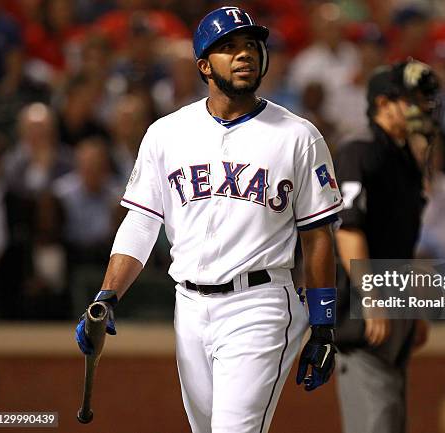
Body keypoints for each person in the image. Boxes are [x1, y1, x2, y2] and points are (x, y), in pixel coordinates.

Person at [74, 6, 343, 433]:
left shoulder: (298, 136)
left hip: (261, 302)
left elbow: (318, 234)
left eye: (251, 46)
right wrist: (108, 294)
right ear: (203, 65)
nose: (244, 55)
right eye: (228, 47)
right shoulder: (166, 133)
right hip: (190, 307)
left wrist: (324, 324)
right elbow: (142, 223)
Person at [333, 60, 437, 433]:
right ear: (383, 103)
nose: (420, 109)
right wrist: (371, 297)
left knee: (390, 421)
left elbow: (400, 242)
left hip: (393, 306)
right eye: (410, 100)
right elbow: (347, 229)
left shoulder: (404, 158)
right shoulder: (360, 151)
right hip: (364, 313)